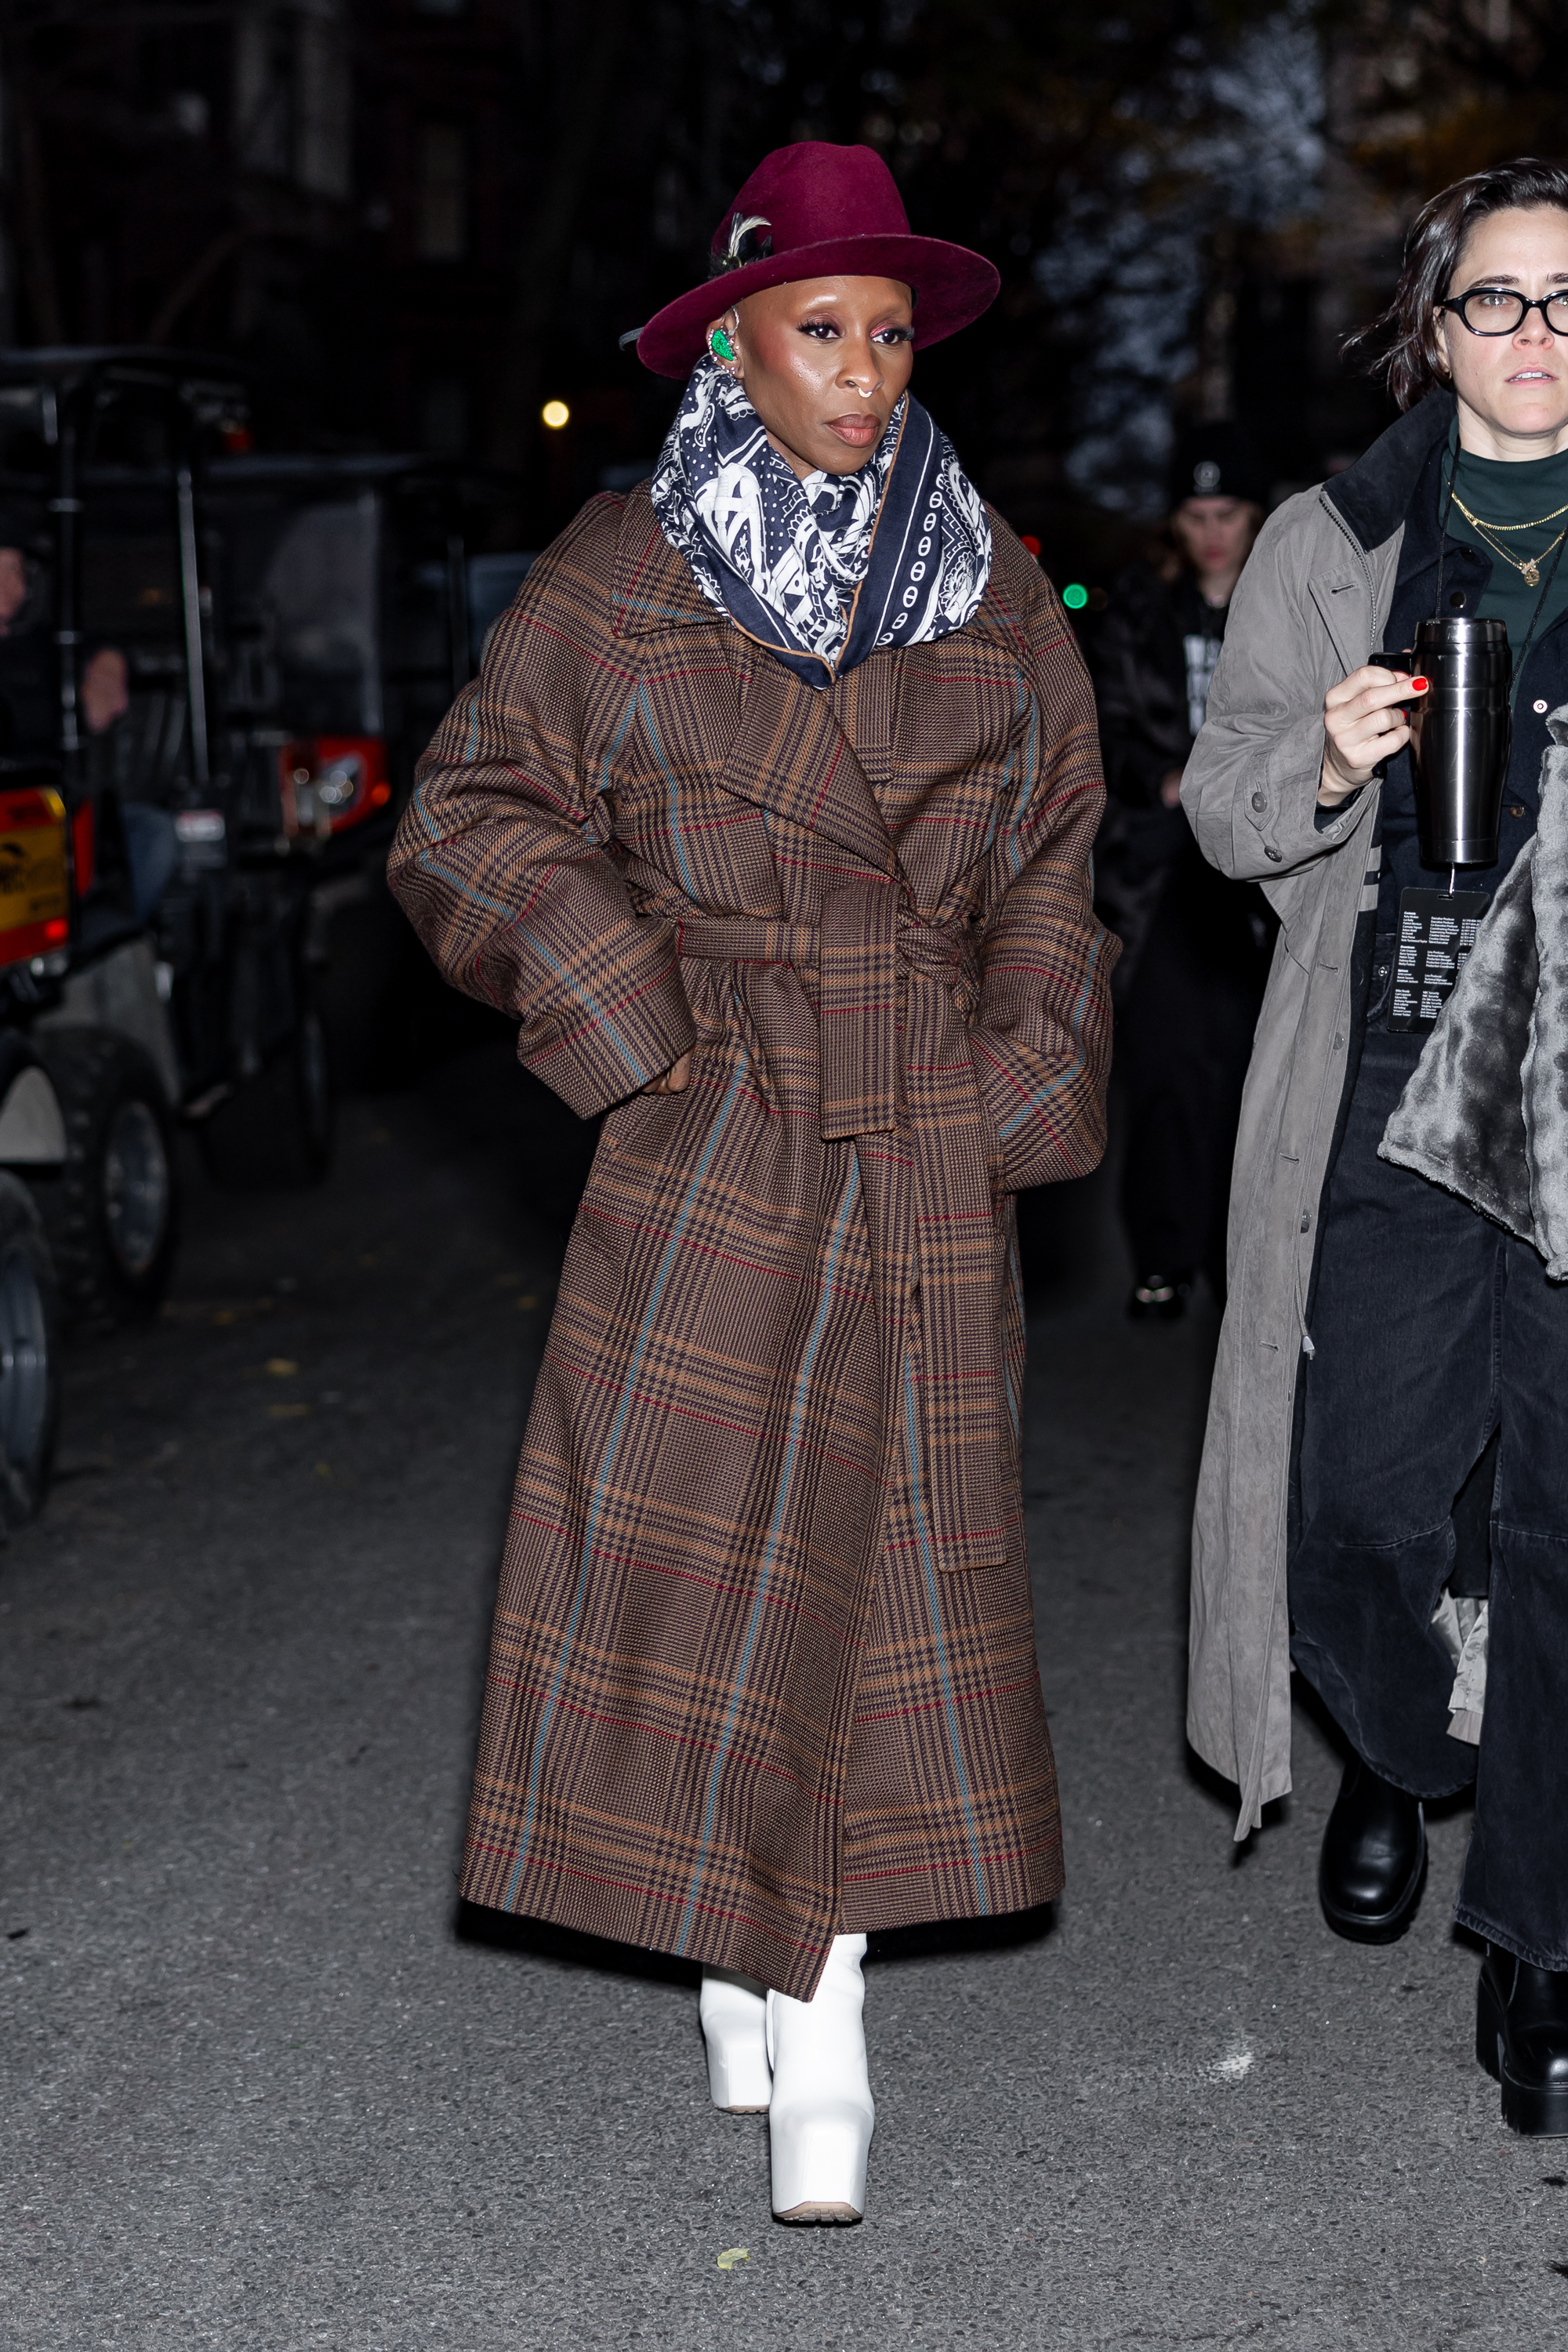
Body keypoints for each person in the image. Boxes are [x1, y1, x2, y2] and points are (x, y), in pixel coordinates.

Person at [388, 141, 1116, 2221]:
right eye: (823, 329)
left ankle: (830, 2020)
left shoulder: (989, 579)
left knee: (884, 1583)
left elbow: (1062, 855)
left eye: (891, 333)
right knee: (713, 1563)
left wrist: (1013, 1069)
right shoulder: (619, 573)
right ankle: (744, 1937)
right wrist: (626, 1016)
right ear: (733, 344)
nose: (866, 371)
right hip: (712, 1132)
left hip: (916, 1126)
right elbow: (467, 814)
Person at [1183, 156, 1568, 2138]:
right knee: (1355, 1500)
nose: (1527, 338)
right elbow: (1220, 807)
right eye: (1490, 301)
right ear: (1429, 330)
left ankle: (1535, 1942)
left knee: (1555, 1519)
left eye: (1561, 301)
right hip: (1390, 1059)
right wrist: (1323, 758)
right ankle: (1392, 1738)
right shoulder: (1331, 540)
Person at [1090, 425, 1273, 1319]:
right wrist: (1165, 779)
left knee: (1247, 1071)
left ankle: (1234, 1256)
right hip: (1162, 868)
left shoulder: (1287, 604)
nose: (1211, 532)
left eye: (1226, 512)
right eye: (1195, 514)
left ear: (1252, 515)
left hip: (1260, 867)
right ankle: (1162, 1258)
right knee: (1164, 1069)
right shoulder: (1136, 608)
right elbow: (1100, 733)